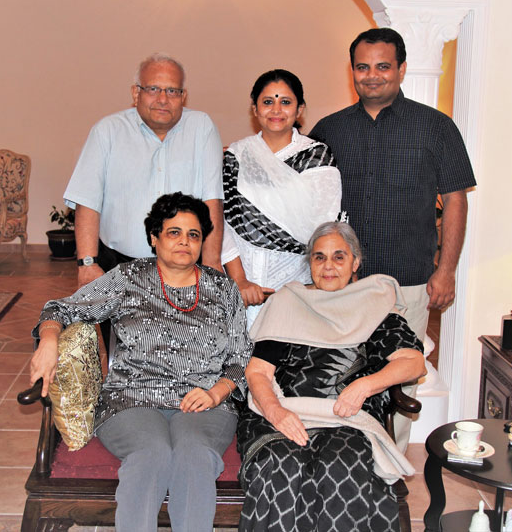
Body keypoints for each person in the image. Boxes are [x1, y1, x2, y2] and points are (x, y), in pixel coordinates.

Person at [29, 192, 252, 532]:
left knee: (194, 455)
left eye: (193, 235)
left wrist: (217, 392)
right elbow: (62, 308)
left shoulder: (223, 289)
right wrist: (48, 339)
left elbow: (240, 355)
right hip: (131, 399)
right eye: (173, 232)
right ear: (154, 237)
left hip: (205, 401)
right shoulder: (128, 278)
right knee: (152, 454)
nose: (184, 242)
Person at [309, 28, 476, 451]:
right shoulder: (329, 129)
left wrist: (446, 270)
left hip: (410, 281)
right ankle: (342, 459)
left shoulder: (436, 127)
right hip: (342, 284)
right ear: (352, 73)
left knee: (402, 376)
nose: (372, 76)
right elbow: (309, 206)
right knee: (340, 372)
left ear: (401, 69)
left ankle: (390, 466)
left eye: (383, 66)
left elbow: (455, 201)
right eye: (363, 67)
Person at [236, 221, 426, 532]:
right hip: (281, 414)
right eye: (319, 257)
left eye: (339, 257)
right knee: (280, 466)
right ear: (309, 263)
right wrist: (277, 412)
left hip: (346, 418)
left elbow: (413, 363)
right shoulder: (289, 301)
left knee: (342, 466)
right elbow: (257, 371)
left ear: (356, 262)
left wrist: (365, 386)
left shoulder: (374, 304)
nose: (328, 266)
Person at [63, 52, 225, 351]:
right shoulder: (107, 132)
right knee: (124, 352)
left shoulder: (201, 128)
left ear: (183, 96)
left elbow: (212, 199)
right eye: (153, 89)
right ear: (135, 92)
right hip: (119, 264)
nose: (163, 99)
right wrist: (87, 263)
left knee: (182, 349)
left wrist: (212, 263)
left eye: (172, 91)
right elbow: (87, 202)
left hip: (184, 267)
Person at [222, 69, 341, 328]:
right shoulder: (237, 155)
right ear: (255, 109)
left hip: (297, 280)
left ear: (299, 110)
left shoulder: (316, 157)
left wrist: (309, 285)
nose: (276, 109)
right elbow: (223, 223)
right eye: (267, 102)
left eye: (285, 102)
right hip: (240, 279)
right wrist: (239, 279)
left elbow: (323, 228)